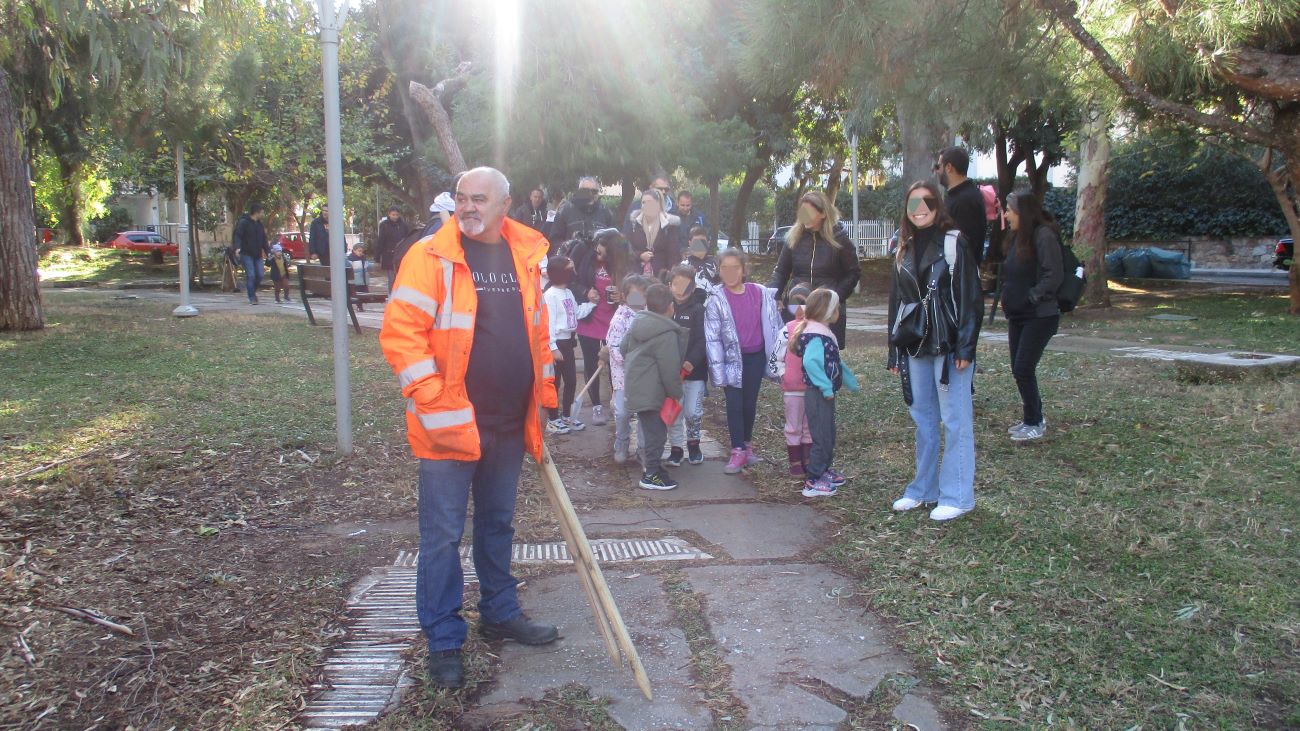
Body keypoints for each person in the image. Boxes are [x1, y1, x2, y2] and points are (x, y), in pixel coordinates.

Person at [378, 167, 560, 690]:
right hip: (450, 425)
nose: (468, 206)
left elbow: (536, 331)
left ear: (505, 204)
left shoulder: (522, 255)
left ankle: (500, 613)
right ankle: (443, 639)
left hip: (508, 422)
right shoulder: (430, 255)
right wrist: (433, 399)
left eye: (479, 198)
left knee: (498, 523)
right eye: (461, 197)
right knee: (441, 538)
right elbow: (401, 334)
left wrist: (543, 398)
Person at [887, 180, 983, 522]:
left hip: (949, 345)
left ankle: (957, 495)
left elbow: (971, 297)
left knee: (955, 419)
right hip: (915, 345)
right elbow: (897, 300)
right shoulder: (903, 247)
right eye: (913, 203)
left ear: (937, 204)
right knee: (923, 418)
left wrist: (966, 345)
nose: (919, 208)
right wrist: (893, 349)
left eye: (926, 201)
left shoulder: (954, 242)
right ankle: (922, 490)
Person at [705, 249, 784, 474]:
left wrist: (778, 358)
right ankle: (737, 449)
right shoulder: (715, 299)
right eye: (724, 268)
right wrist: (718, 371)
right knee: (734, 404)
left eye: (735, 267)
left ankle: (747, 446)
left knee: (749, 403)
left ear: (744, 269)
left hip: (755, 358)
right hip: (731, 361)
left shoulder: (759, 293)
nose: (730, 272)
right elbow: (712, 338)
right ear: (719, 271)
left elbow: (775, 325)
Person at [1000, 191, 1064, 443]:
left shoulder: (1044, 235)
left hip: (1039, 315)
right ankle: (1032, 417)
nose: (1006, 214)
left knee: (1023, 367)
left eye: (1009, 210)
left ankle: (1034, 421)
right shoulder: (1018, 238)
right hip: (1018, 315)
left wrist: (1032, 296)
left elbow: (1054, 275)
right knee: (1018, 368)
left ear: (1022, 212)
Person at [769, 190, 861, 347]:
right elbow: (781, 270)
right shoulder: (794, 238)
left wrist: (836, 297)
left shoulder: (839, 239)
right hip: (797, 304)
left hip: (827, 307)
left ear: (823, 213)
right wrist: (771, 296)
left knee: (824, 357)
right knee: (795, 353)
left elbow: (853, 272)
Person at [793, 287, 859, 498]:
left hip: (824, 394)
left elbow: (836, 362)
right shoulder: (816, 335)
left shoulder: (823, 333)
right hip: (818, 394)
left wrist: (850, 382)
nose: (839, 310)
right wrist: (825, 386)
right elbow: (811, 362)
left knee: (828, 434)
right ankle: (812, 481)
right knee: (821, 436)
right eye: (837, 307)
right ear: (828, 311)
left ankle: (823, 471)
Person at [621, 283, 688, 491]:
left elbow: (623, 348)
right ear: (670, 307)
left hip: (638, 387)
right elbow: (669, 368)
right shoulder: (666, 333)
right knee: (656, 434)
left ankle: (654, 468)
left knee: (651, 431)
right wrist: (676, 393)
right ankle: (650, 475)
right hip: (653, 391)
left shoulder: (637, 323)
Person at [571, 228, 630, 426]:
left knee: (616, 361)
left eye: (602, 252)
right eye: (597, 250)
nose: (598, 254)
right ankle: (596, 405)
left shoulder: (624, 265)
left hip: (614, 322)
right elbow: (573, 282)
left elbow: (639, 296)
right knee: (591, 361)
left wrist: (622, 297)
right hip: (589, 318)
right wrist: (586, 291)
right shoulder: (587, 258)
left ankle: (617, 401)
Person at [603, 274, 652, 465]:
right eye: (634, 295)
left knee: (644, 412)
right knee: (623, 412)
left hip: (645, 375)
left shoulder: (650, 314)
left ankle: (643, 448)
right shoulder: (620, 316)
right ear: (624, 295)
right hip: (623, 374)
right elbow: (613, 345)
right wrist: (629, 360)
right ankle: (622, 441)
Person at [543, 254, 594, 435]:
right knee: (554, 383)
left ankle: (566, 415)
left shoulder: (568, 293)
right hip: (556, 345)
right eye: (569, 269)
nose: (574, 272)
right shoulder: (549, 296)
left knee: (571, 381)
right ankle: (552, 419)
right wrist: (553, 347)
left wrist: (592, 304)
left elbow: (576, 312)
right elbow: (547, 323)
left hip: (568, 342)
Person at [668, 265, 709, 466]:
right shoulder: (665, 308)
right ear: (670, 285)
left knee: (692, 411)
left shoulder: (698, 309)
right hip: (670, 374)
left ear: (693, 288)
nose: (680, 290)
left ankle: (694, 443)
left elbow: (703, 340)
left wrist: (691, 361)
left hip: (694, 373)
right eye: (676, 285)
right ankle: (676, 448)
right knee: (674, 411)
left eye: (685, 286)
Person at [780, 283, 814, 476]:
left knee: (808, 425)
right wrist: (783, 375)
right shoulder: (787, 329)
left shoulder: (816, 329)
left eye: (804, 303)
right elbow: (776, 355)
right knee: (793, 425)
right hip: (792, 388)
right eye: (795, 304)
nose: (800, 309)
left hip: (811, 387)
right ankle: (795, 463)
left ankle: (807, 460)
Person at [936, 146, 987, 265]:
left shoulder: (965, 200)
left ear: (948, 167)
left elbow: (964, 246)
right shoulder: (958, 196)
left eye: (939, 166)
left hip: (959, 276)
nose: (937, 171)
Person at [626, 188, 681, 279]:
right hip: (636, 275)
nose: (646, 205)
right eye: (643, 202)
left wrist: (671, 275)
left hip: (660, 276)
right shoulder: (634, 224)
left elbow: (673, 254)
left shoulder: (668, 225)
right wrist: (639, 255)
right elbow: (626, 249)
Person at [550, 176, 615, 243]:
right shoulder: (565, 211)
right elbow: (554, 240)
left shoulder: (606, 213)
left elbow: (613, 241)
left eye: (594, 191)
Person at [233, 203, 270, 304]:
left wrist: (268, 252)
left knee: (260, 275)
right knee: (251, 275)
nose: (263, 214)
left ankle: (252, 291)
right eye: (262, 212)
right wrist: (237, 248)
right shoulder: (244, 222)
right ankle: (252, 297)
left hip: (257, 254)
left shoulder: (259, 225)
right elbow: (238, 235)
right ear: (256, 212)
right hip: (246, 253)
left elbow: (264, 240)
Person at [376, 206, 411, 284]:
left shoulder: (403, 225)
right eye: (393, 214)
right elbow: (381, 240)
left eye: (397, 215)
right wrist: (377, 257)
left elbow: (407, 239)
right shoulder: (384, 225)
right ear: (389, 214)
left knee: (401, 278)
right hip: (389, 255)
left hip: (401, 254)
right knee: (391, 279)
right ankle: (391, 294)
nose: (395, 217)